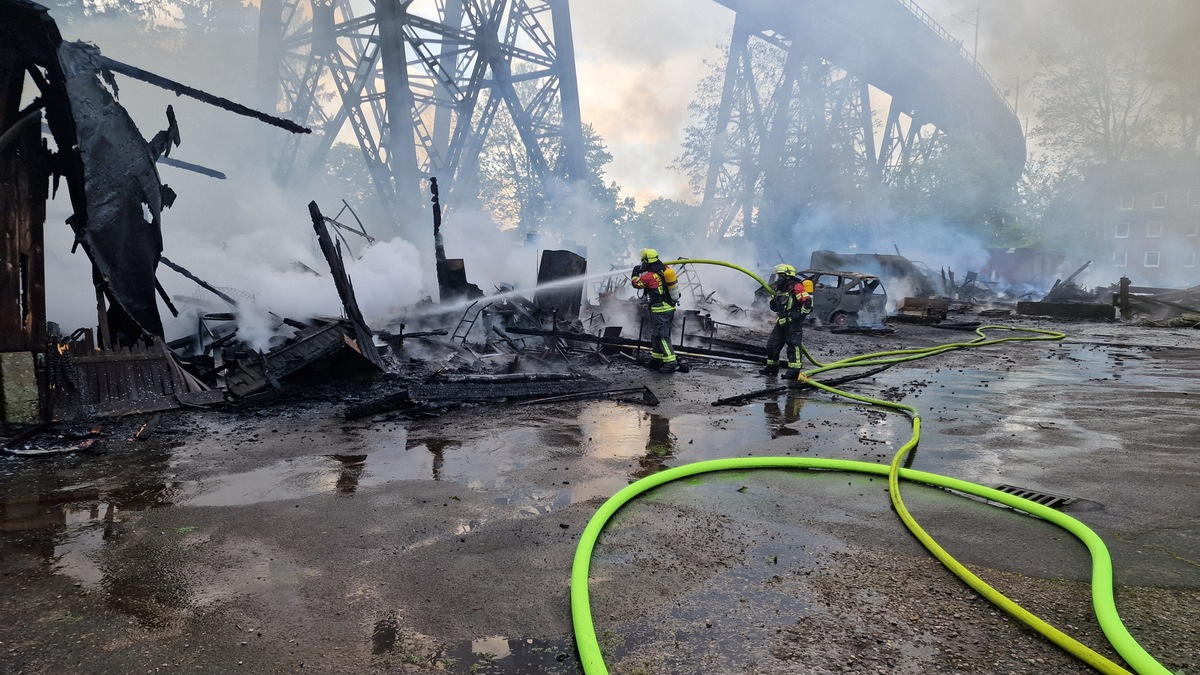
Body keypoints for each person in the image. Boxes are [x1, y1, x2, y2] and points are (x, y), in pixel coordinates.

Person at [630, 248, 680, 373]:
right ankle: (656, 359)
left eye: (643, 262)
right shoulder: (666, 269)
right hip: (668, 307)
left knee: (662, 336)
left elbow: (636, 284)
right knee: (656, 335)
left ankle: (670, 362)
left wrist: (635, 272)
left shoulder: (649, 277)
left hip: (660, 310)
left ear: (647, 262)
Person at [760, 263, 812, 377]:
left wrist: (801, 315)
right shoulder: (779, 288)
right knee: (772, 345)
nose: (778, 279)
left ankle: (794, 371)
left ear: (787, 276)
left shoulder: (796, 286)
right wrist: (774, 304)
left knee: (793, 345)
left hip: (793, 322)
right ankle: (772, 368)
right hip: (782, 321)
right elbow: (776, 305)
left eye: (780, 276)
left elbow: (807, 301)